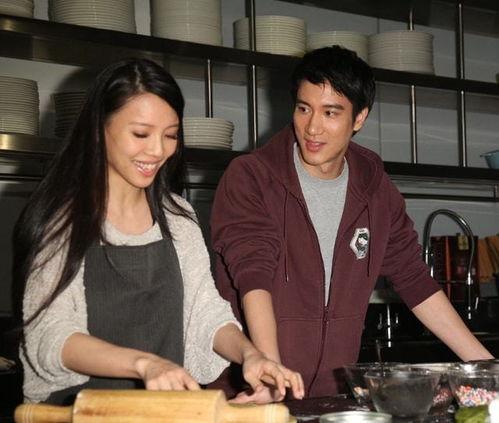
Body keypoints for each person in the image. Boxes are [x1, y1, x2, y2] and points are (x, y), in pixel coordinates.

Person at [13, 58, 304, 405]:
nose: (157, 150)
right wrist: (144, 364)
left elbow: (204, 311)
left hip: (161, 412)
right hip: (78, 412)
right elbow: (51, 334)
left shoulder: (177, 218)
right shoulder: (62, 221)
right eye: (141, 134)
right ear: (98, 128)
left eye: (170, 135)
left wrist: (251, 355)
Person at [209, 46, 493, 400]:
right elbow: (253, 275)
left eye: (331, 112)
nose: (312, 127)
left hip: (329, 398)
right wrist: (269, 374)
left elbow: (414, 280)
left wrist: (488, 368)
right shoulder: (252, 177)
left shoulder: (375, 189)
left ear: (359, 118)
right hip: (248, 396)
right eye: (303, 108)